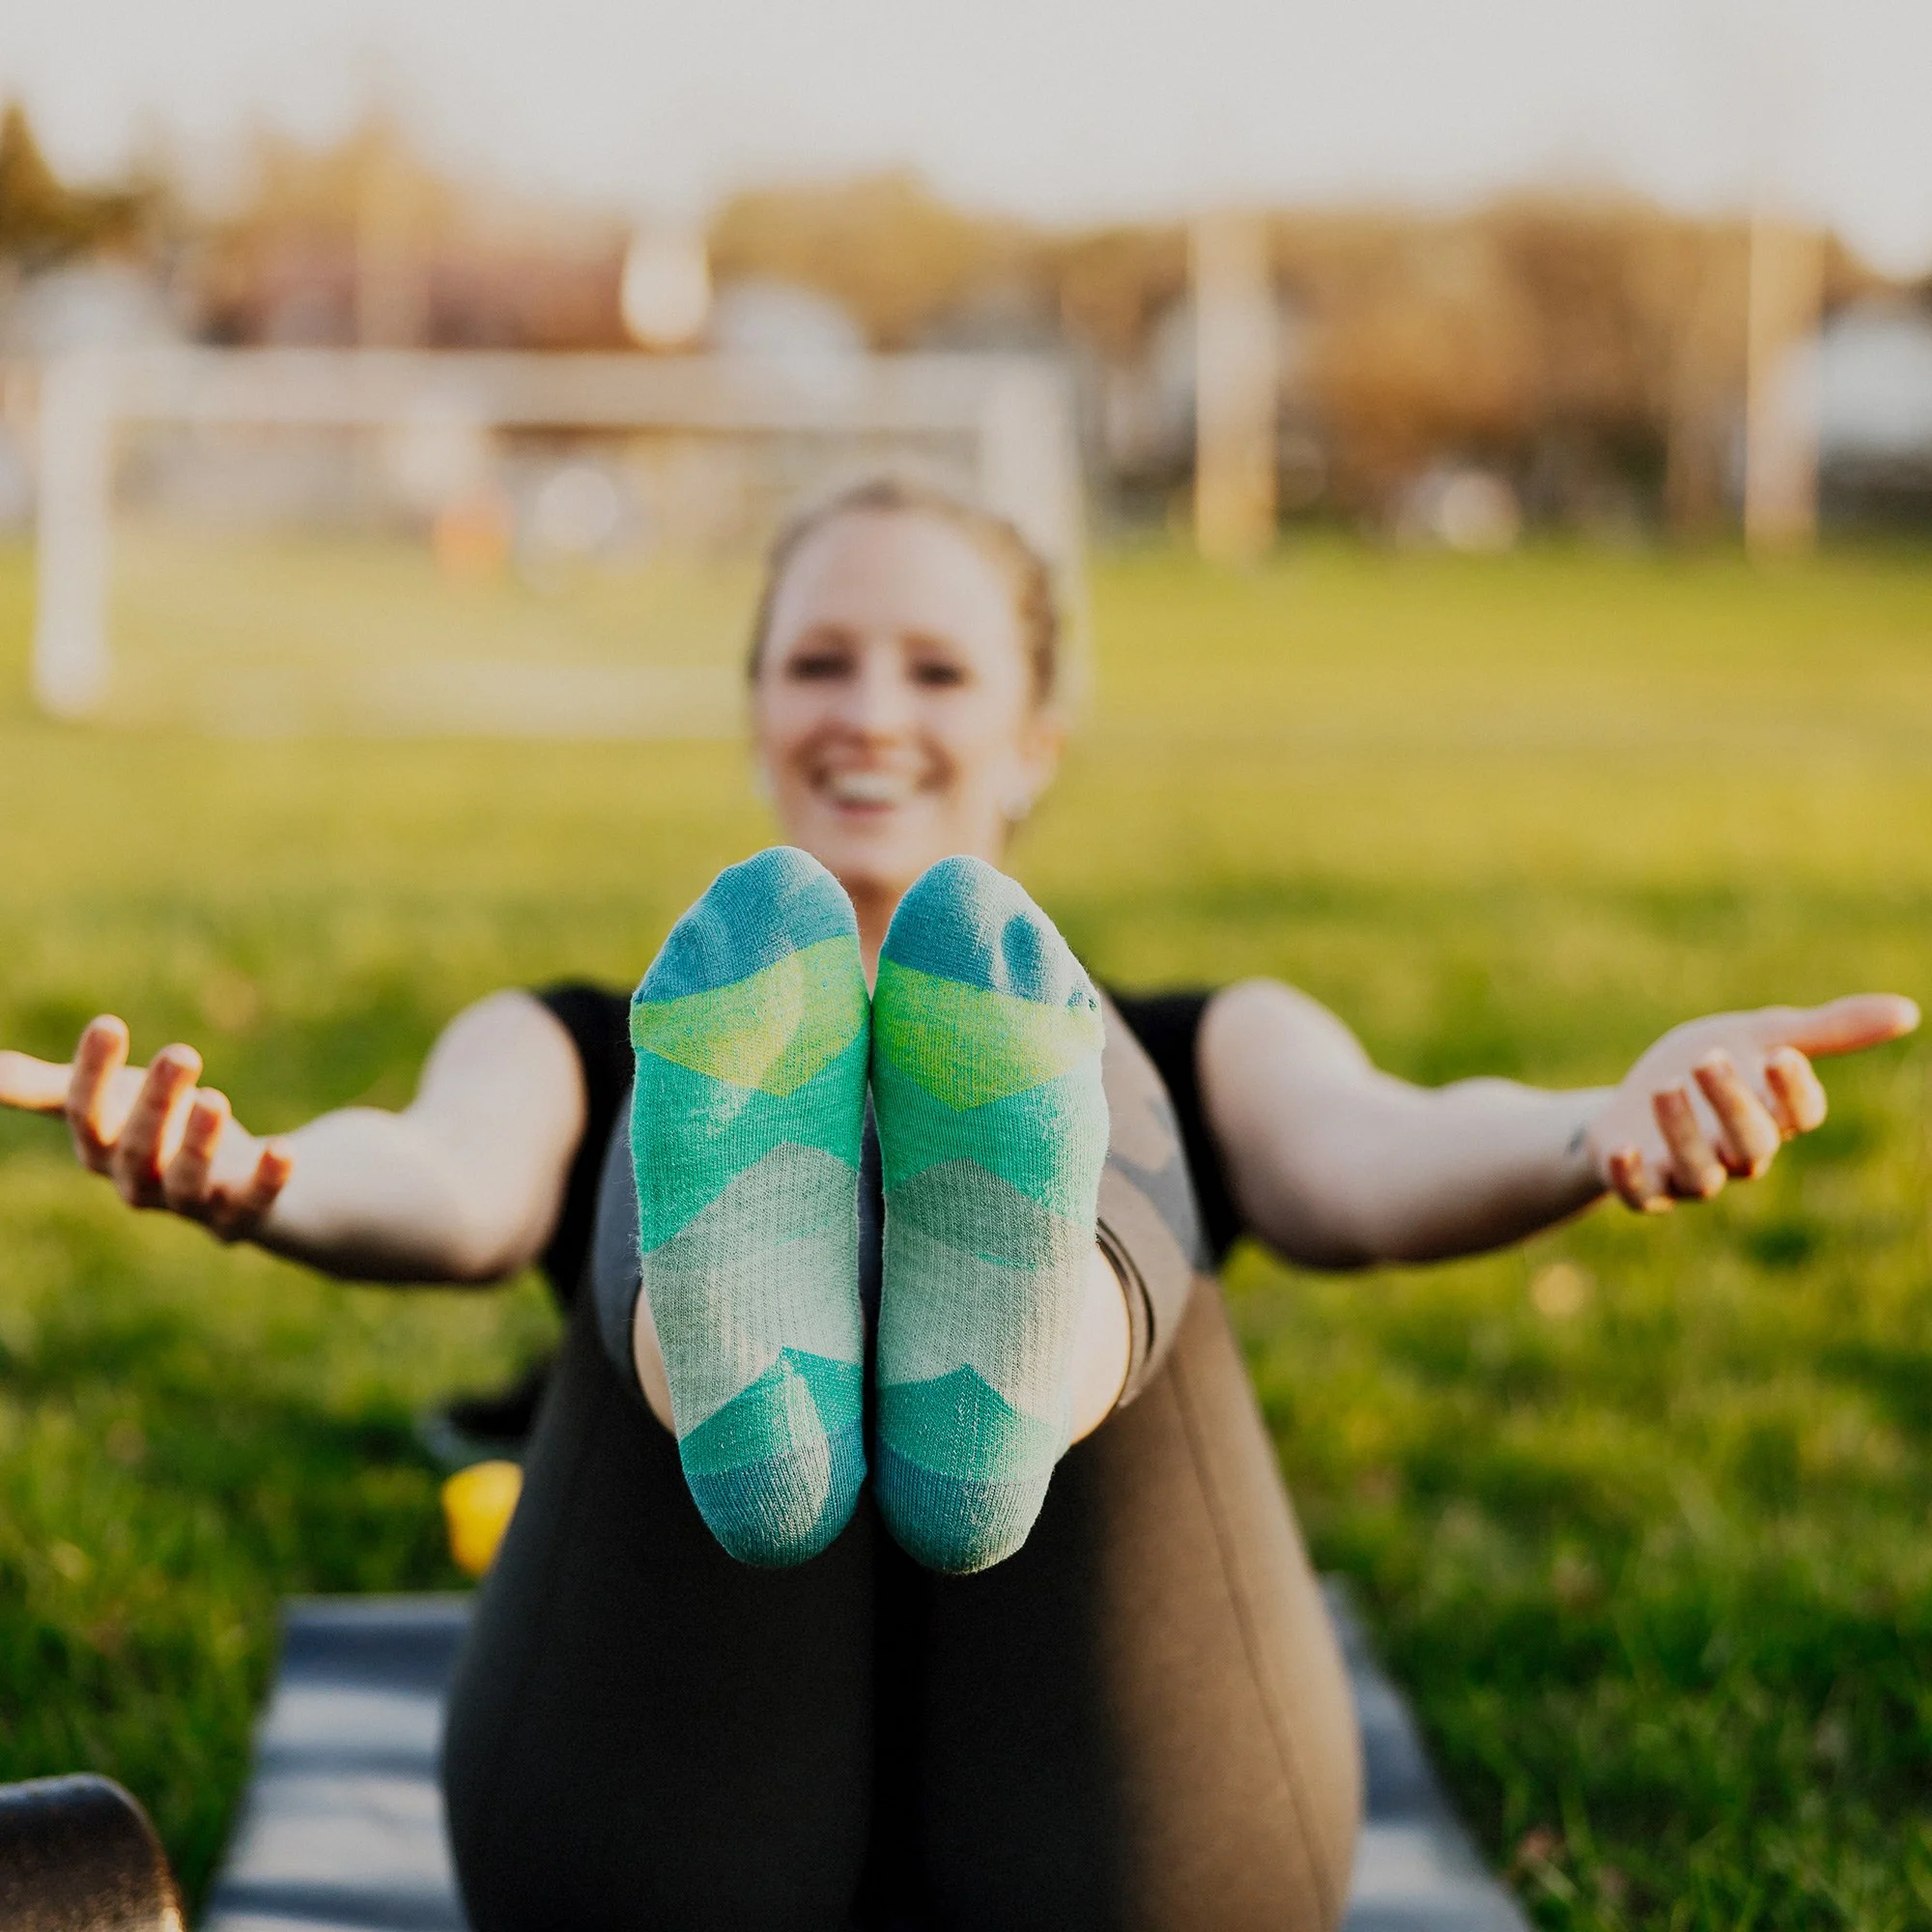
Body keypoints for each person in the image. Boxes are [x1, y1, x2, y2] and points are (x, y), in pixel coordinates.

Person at [0, 476, 1918, 1932]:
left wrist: (1598, 1126)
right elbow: (432, 1176)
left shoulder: (1194, 1037)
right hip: (669, 1838)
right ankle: (736, 1353)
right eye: (820, 660)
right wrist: (255, 1178)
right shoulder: (589, 1035)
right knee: (692, 1088)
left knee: (1089, 1066)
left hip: (1126, 1838)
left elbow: (1373, 1150)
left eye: (937, 668)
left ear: (1035, 736)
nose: (870, 712)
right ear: (754, 701)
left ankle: (1031, 1328)